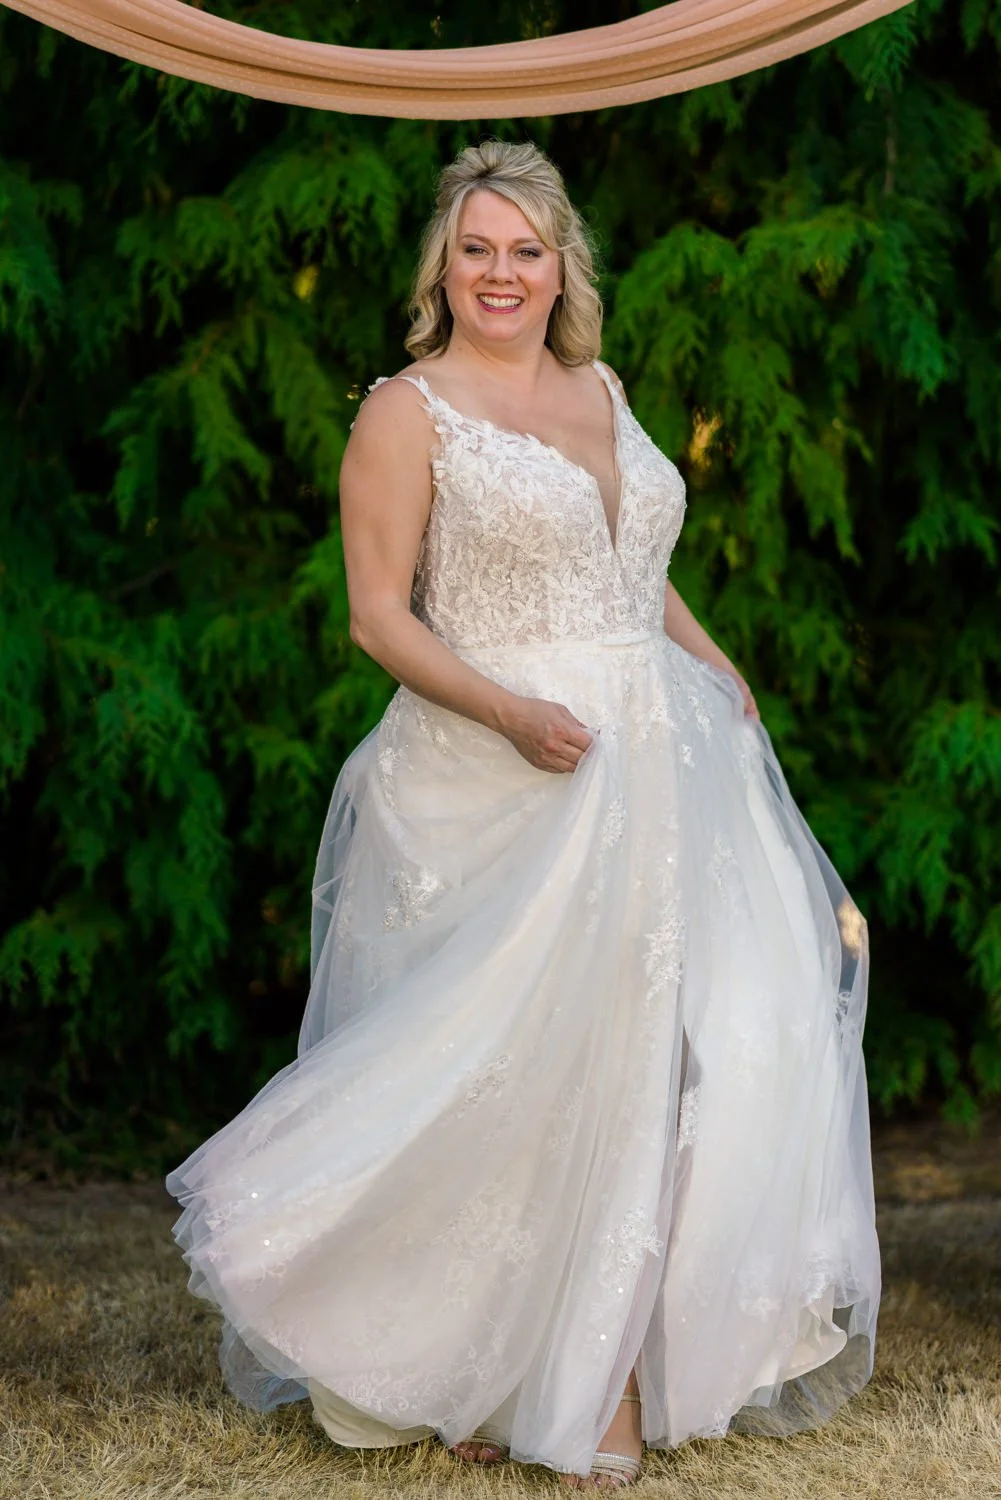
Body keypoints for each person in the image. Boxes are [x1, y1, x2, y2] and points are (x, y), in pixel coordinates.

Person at [167, 139, 880, 1488]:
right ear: (445, 265)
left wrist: (717, 667)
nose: (502, 272)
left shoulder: (596, 385)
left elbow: (632, 566)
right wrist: (509, 712)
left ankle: (610, 1351)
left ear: (564, 267)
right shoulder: (407, 410)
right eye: (477, 248)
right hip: (509, 770)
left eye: (527, 248)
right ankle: (541, 1371)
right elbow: (381, 614)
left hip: (666, 771)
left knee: (687, 1049)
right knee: (521, 1073)